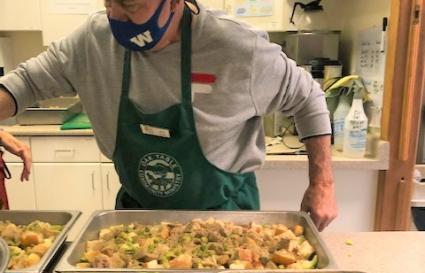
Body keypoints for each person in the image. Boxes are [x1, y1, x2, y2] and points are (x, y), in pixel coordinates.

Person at [0, 0, 337, 231]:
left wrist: (322, 184)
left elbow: (308, 97)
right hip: (138, 218)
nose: (116, 16)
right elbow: (24, 83)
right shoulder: (93, 41)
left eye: (132, 5)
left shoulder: (237, 48)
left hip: (228, 221)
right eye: (109, 2)